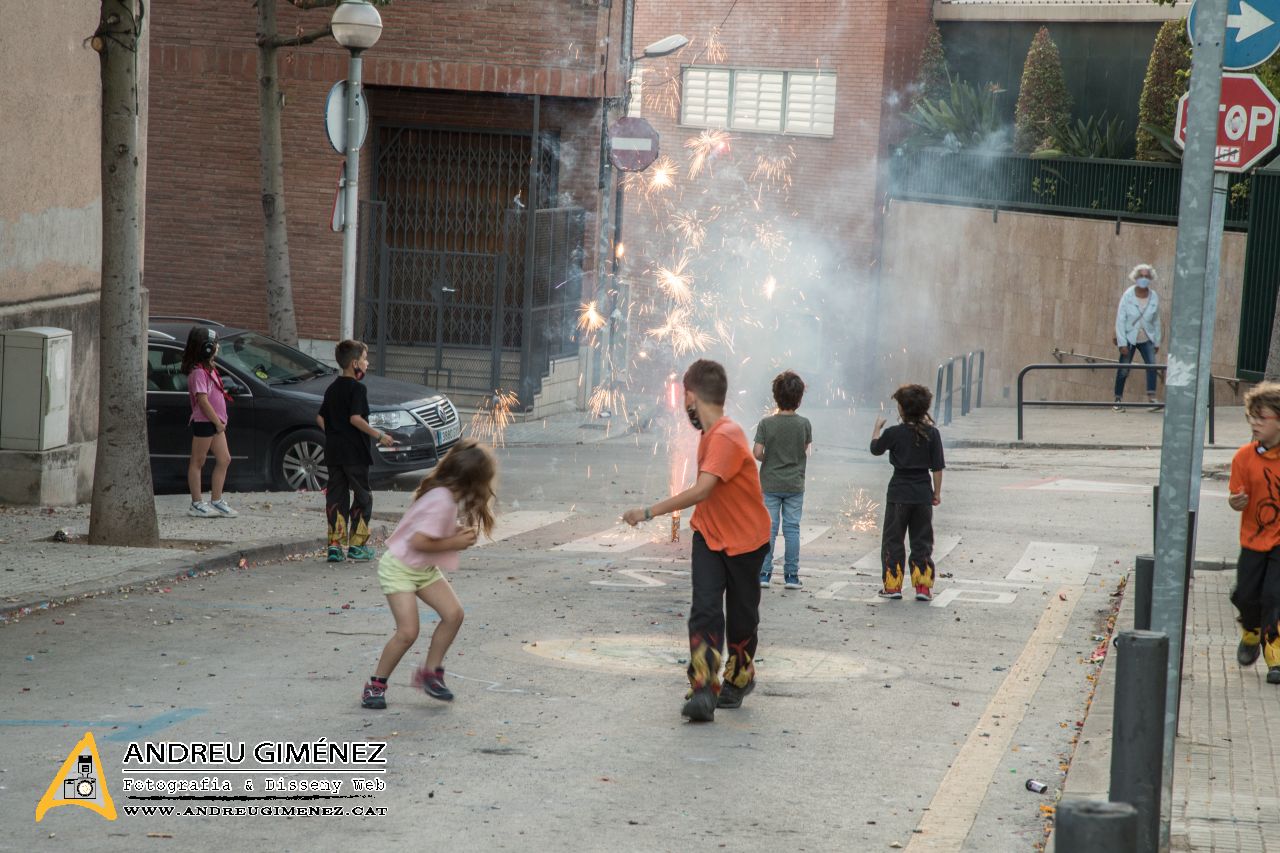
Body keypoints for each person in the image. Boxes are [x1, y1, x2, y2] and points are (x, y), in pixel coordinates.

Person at [623, 359, 772, 722]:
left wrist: (648, 512)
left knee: (741, 618)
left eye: (684, 397)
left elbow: (702, 489)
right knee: (705, 609)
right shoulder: (710, 433)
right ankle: (704, 688)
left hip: (746, 542)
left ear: (689, 396)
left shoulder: (725, 434)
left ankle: (739, 676)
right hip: (708, 535)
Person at [360, 439, 495, 709]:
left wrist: (453, 531)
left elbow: (428, 530)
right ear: (473, 481)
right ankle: (375, 685)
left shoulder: (444, 495)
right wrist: (454, 543)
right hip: (399, 567)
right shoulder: (442, 500)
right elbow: (418, 542)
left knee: (454, 614)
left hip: (421, 568)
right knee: (408, 632)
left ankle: (430, 674)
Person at [317, 340, 395, 562]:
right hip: (355, 453)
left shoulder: (332, 388)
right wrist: (380, 435)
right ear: (354, 363)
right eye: (364, 359)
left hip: (334, 452)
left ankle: (334, 546)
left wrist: (334, 434)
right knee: (363, 496)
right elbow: (355, 418)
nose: (367, 363)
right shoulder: (358, 389)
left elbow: (320, 417)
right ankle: (357, 546)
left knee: (336, 496)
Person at [871, 384, 945, 602]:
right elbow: (938, 467)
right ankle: (923, 587)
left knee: (893, 540)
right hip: (922, 494)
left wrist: (877, 429)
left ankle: (893, 586)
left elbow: (875, 449)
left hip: (898, 495)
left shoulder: (893, 433)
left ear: (902, 409)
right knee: (922, 541)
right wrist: (936, 493)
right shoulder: (933, 434)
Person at [1228, 383, 1280, 685]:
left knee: (1275, 597)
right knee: (1245, 595)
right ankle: (1250, 631)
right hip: (1253, 540)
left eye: (1263, 418)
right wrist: (1235, 502)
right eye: (1253, 417)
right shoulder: (1244, 458)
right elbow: (1237, 498)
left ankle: (1275, 658)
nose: (1255, 423)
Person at [754, 370, 813, 590]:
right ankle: (791, 576)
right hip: (795, 485)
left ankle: (764, 574)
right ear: (799, 398)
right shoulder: (804, 424)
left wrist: (768, 459)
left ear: (775, 396)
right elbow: (805, 448)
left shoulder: (766, 423)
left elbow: (757, 452)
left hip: (770, 483)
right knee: (792, 529)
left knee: (768, 529)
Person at [182, 326, 238, 518]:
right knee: (198, 461)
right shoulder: (198, 372)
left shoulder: (209, 369)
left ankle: (216, 499)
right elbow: (202, 400)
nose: (217, 347)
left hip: (216, 423)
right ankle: (196, 503)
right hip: (205, 421)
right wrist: (217, 422)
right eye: (214, 344)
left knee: (225, 459)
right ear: (205, 348)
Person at [1113, 263, 1162, 412]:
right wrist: (1122, 343)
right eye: (1141, 276)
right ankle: (1117, 399)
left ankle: (1152, 397)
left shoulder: (1153, 297)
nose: (1144, 279)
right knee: (1123, 368)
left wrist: (1157, 341)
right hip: (1129, 337)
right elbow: (1120, 319)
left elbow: (1156, 320)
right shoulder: (1128, 295)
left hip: (1146, 337)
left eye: (1147, 276)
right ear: (1135, 277)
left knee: (1152, 366)